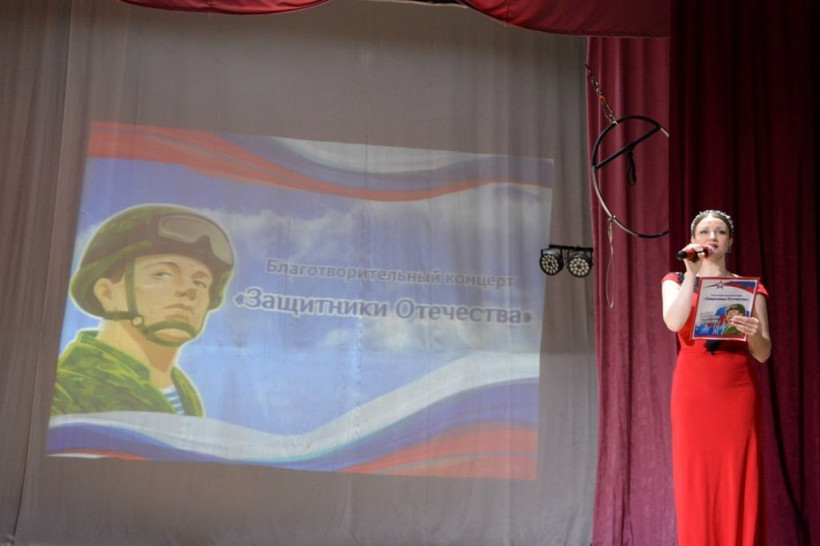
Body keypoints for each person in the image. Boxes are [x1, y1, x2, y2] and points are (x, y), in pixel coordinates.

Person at [51, 204, 234, 417]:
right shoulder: (66, 390)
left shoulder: (182, 390)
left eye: (201, 283)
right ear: (107, 294)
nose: (189, 290)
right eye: (162, 274)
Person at [661, 209, 771, 546]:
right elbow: (674, 322)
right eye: (705, 232)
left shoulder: (750, 288)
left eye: (720, 232)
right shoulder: (675, 280)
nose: (712, 237)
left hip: (737, 391)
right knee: (696, 478)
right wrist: (691, 275)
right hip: (693, 391)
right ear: (693, 240)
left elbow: (763, 352)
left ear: (730, 242)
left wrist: (753, 331)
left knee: (739, 474)